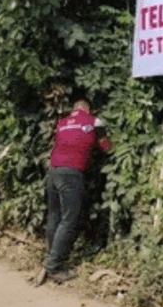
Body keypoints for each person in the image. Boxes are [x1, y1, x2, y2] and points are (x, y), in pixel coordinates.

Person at [33, 96, 113, 287]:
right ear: (88, 109)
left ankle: (50, 257)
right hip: (71, 174)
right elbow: (106, 147)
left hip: (53, 172)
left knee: (54, 216)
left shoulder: (61, 123)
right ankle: (54, 267)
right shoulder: (94, 122)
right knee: (69, 219)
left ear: (74, 110)